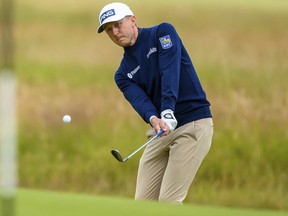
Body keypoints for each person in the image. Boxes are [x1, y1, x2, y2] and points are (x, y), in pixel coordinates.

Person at [97, 2, 214, 204]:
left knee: (168, 202)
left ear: (132, 20)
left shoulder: (162, 33)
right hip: (161, 131)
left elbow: (169, 70)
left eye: (117, 25)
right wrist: (154, 119)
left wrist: (167, 108)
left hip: (192, 124)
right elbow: (140, 101)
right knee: (143, 205)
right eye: (109, 30)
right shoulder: (122, 74)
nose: (114, 32)